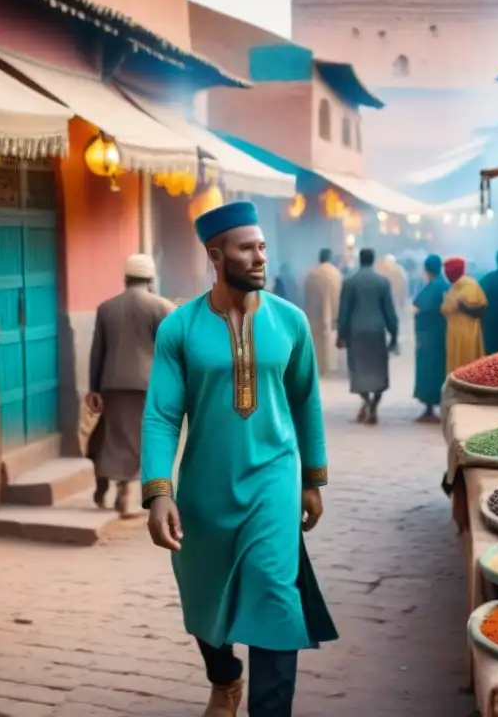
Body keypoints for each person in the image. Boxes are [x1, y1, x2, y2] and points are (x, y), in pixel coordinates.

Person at [141, 201, 337, 717]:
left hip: (274, 481)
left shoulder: (290, 322)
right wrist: (159, 491)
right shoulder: (178, 329)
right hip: (205, 487)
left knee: (275, 595)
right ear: (215, 254)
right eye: (246, 248)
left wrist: (311, 479)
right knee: (202, 593)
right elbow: (162, 414)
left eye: (263, 247)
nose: (259, 258)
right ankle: (225, 677)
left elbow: (305, 399)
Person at [87, 254, 175, 518]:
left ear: (125, 278)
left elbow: (97, 352)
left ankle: (107, 486)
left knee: (112, 437)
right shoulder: (162, 307)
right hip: (147, 386)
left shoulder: (106, 308)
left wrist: (94, 389)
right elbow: (170, 352)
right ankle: (125, 494)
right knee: (138, 441)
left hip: (112, 386)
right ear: (150, 278)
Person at [337, 248, 399, 425]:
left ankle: (366, 401)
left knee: (358, 370)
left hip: (356, 332)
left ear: (359, 260)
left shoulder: (349, 282)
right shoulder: (382, 282)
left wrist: (341, 334)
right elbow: (389, 311)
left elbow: (344, 311)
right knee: (379, 371)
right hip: (377, 331)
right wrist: (394, 333)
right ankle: (374, 405)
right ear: (373, 260)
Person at [413, 255, 450, 423]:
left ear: (427, 270)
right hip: (441, 334)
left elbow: (420, 305)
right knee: (439, 369)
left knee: (428, 371)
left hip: (429, 335)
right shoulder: (445, 285)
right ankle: (438, 405)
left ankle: (429, 408)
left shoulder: (435, 286)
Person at [442, 257, 487, 373]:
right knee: (454, 361)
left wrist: (460, 305)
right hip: (454, 331)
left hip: (468, 331)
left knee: (467, 361)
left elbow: (479, 309)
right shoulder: (453, 287)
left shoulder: (470, 285)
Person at [302, 249, 342, 377]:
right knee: (330, 340)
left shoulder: (311, 274)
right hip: (334, 314)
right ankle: (329, 366)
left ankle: (317, 367)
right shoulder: (336, 274)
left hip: (314, 314)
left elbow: (305, 296)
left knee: (316, 341)